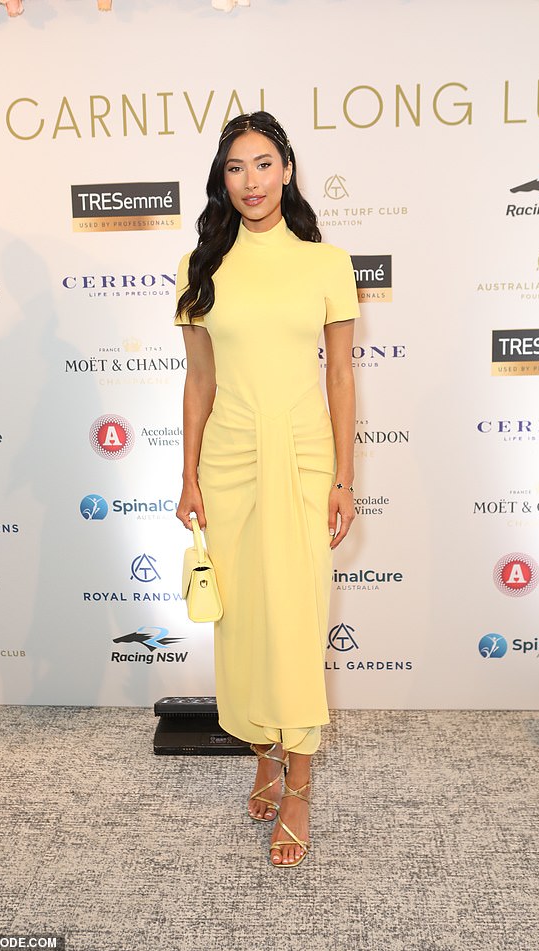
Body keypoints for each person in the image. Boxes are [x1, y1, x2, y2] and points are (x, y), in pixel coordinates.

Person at [175, 112, 359, 868]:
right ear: (222, 180)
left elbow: (341, 376)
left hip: (306, 459)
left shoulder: (327, 262)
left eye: (262, 164)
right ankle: (260, 751)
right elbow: (199, 380)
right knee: (244, 619)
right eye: (234, 169)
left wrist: (345, 477)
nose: (250, 181)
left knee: (295, 615)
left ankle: (301, 780)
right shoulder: (201, 267)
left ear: (286, 167)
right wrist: (187, 474)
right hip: (229, 459)